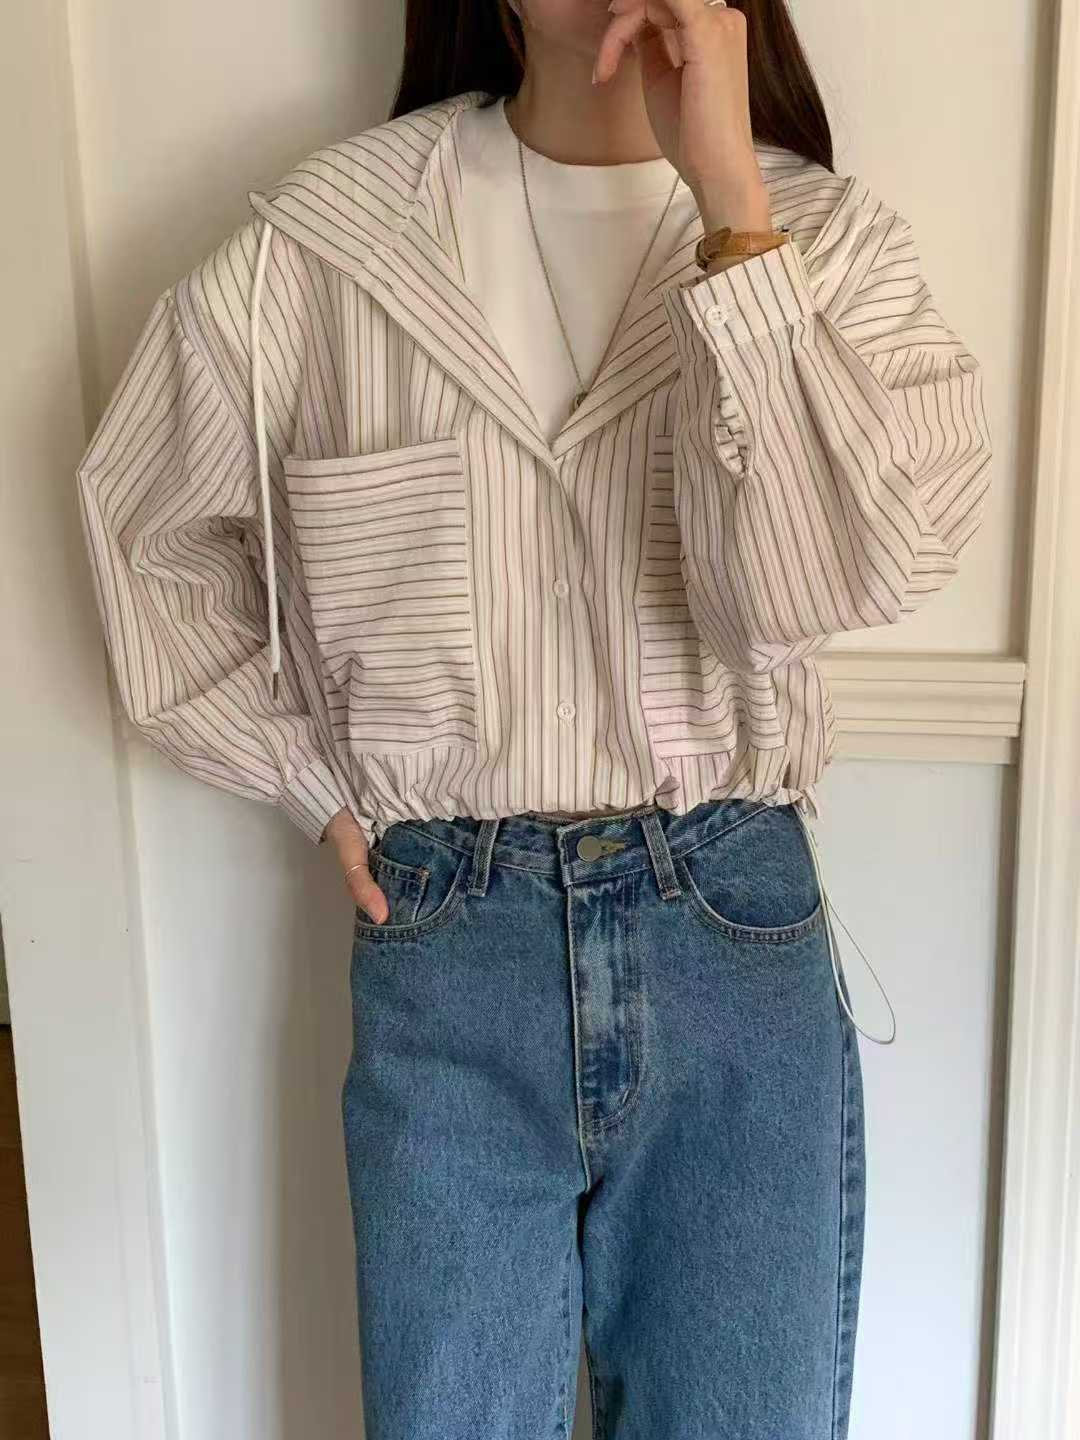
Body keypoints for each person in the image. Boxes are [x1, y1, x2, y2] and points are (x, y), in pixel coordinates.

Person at [74, 1, 993, 1435]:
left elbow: (827, 579)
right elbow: (149, 527)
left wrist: (734, 217)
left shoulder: (830, 246)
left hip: (730, 929)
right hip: (450, 941)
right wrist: (302, 778)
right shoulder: (320, 251)